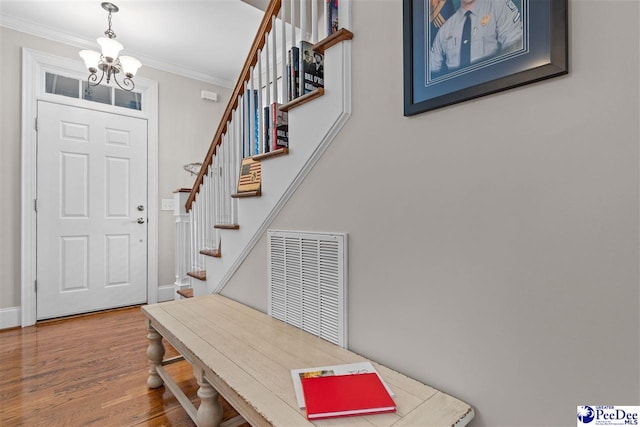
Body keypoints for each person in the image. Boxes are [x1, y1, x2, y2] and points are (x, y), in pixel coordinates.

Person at [429, 0, 523, 77]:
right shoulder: (444, 29)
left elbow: (516, 49)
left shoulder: (499, 6)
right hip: (456, 95)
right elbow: (432, 73)